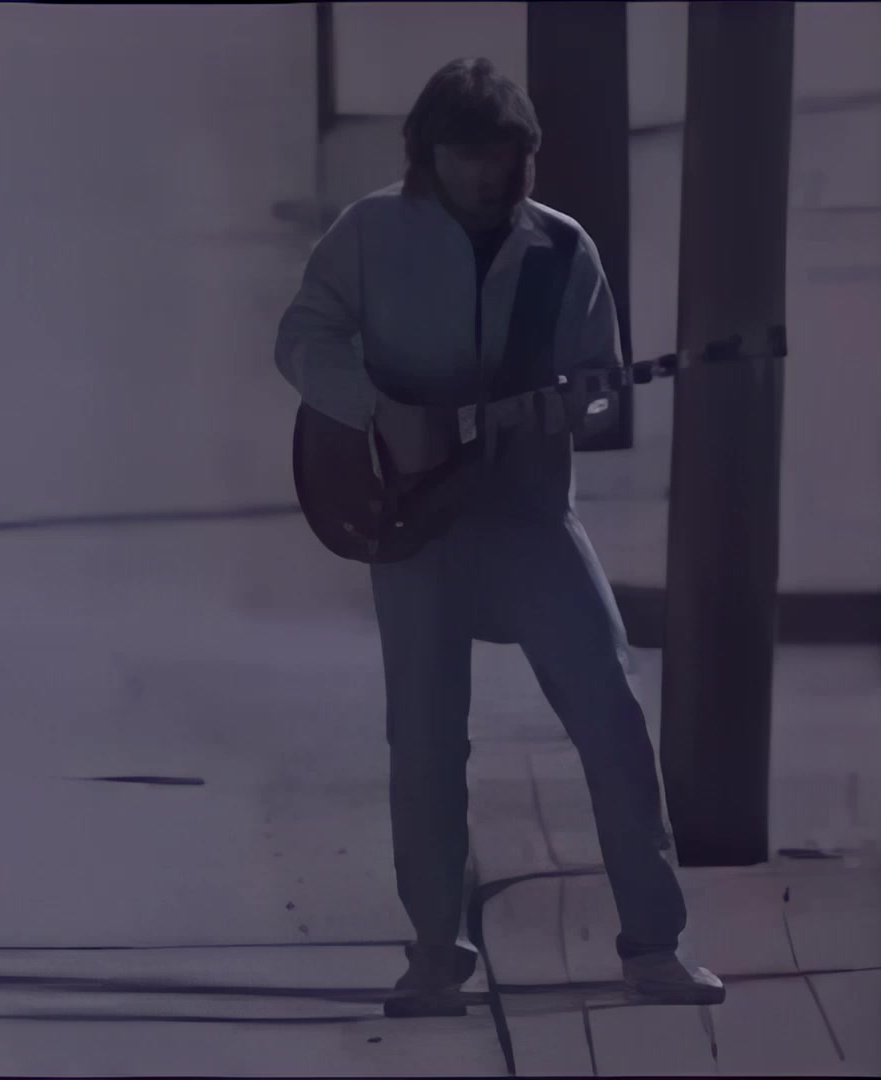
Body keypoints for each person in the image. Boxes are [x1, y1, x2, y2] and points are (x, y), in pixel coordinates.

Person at [274, 58, 725, 1016]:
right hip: (415, 526)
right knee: (426, 741)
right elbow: (303, 337)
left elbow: (600, 388)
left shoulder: (562, 249)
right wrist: (380, 409)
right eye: (471, 155)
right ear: (427, 153)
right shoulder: (370, 232)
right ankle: (436, 954)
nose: (491, 174)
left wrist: (575, 406)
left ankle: (655, 945)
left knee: (612, 716)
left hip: (530, 519)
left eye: (509, 156)